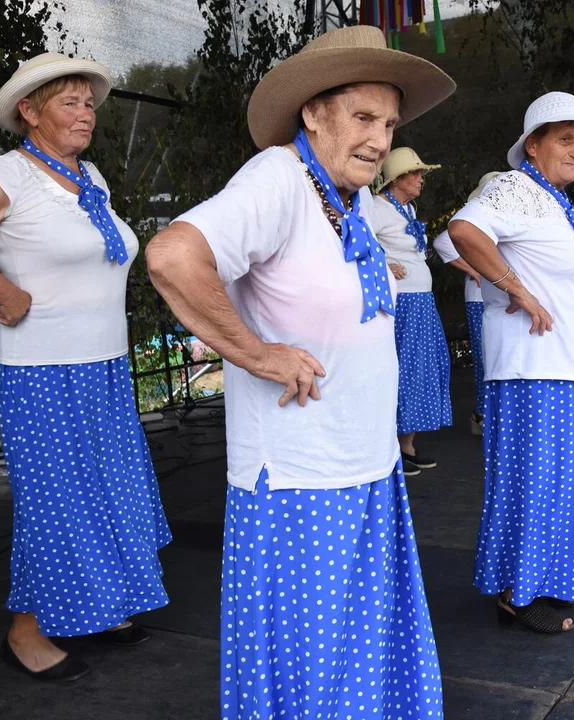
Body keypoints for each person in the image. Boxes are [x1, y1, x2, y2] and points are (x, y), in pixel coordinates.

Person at [143, 26, 454, 718]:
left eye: (390, 122)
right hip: (300, 480)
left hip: (362, 465)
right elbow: (171, 256)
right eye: (363, 117)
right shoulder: (278, 178)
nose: (379, 139)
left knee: (353, 655)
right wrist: (256, 353)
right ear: (313, 111)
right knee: (313, 665)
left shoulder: (346, 197)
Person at [0, 53, 171, 681]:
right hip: (42, 372)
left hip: (101, 365)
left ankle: (98, 609)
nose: (86, 115)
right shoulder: (9, 175)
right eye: (69, 103)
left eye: (90, 104)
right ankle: (25, 633)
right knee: (58, 506)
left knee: (108, 495)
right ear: (30, 112)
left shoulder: (90, 175)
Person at [448, 91, 574, 634]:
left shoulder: (554, 201)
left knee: (573, 480)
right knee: (537, 482)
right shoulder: (514, 186)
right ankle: (518, 594)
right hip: (531, 366)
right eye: (564, 140)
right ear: (533, 147)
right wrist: (513, 287)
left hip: (560, 366)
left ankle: (532, 584)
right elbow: (463, 231)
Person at [371, 147, 452, 473]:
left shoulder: (407, 208)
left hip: (422, 300)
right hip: (401, 303)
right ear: (398, 178)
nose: (421, 179)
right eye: (417, 173)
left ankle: (408, 446)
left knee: (420, 370)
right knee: (403, 369)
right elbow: (351, 243)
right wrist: (383, 264)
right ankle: (389, 448)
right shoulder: (376, 208)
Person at [432, 171, 501, 436]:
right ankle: (483, 414)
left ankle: (495, 413)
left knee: (498, 355)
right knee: (485, 357)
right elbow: (442, 243)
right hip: (479, 298)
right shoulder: (474, 218)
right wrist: (473, 270)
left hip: (499, 296)